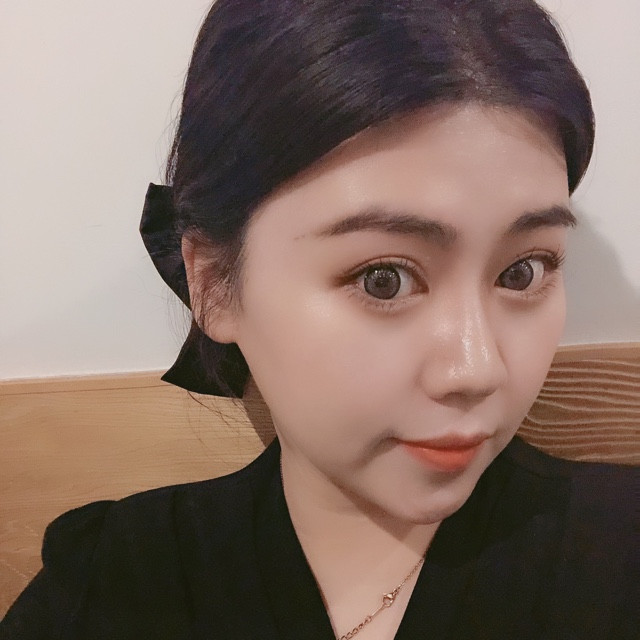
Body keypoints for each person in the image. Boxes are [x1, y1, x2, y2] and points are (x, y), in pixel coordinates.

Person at [2, 1, 637, 638]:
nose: (476, 370)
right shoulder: (111, 586)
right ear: (213, 285)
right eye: (383, 279)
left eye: (522, 272)